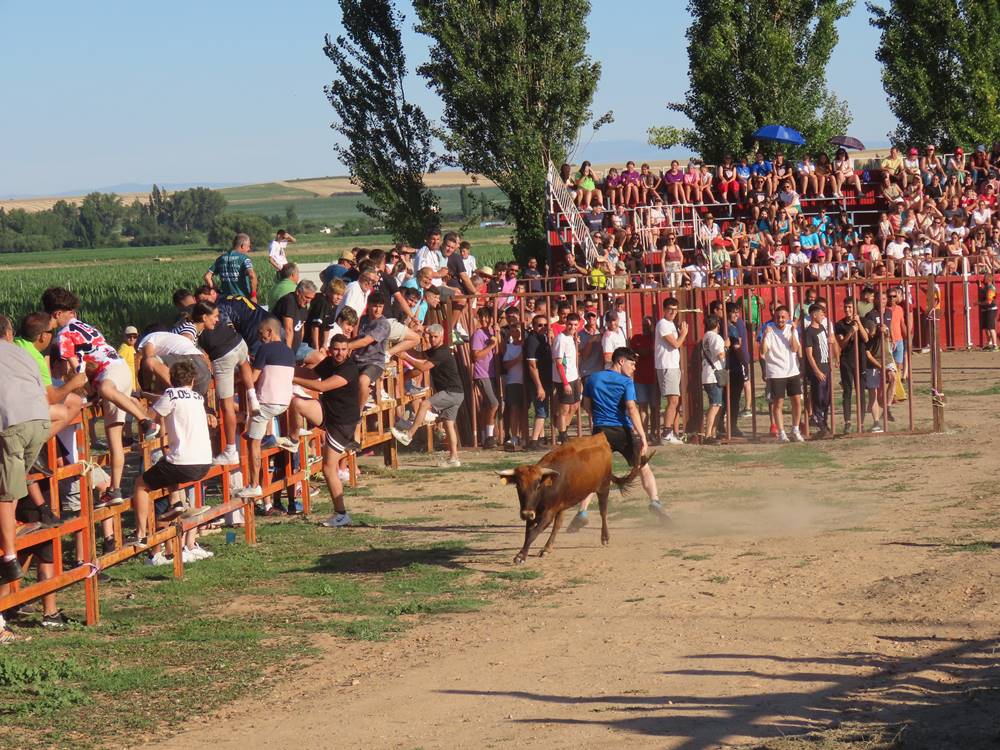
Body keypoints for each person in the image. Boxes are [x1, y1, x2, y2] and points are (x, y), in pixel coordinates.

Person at [43, 287, 160, 505]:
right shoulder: (86, 326)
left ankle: (145, 420)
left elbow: (76, 368)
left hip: (109, 373)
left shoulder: (64, 334)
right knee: (114, 439)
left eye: (52, 317)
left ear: (57, 313)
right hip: (119, 369)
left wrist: (88, 392)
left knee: (107, 390)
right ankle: (114, 490)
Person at [567, 347, 666, 532]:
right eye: (632, 364)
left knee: (593, 474)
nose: (634, 368)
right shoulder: (625, 382)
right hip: (622, 431)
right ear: (621, 361)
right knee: (643, 467)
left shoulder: (592, 379)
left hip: (600, 432)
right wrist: (643, 435)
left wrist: (597, 417)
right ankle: (655, 501)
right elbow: (631, 408)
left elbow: (586, 405)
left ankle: (582, 512)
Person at [123, 360, 213, 562]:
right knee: (166, 462)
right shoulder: (197, 397)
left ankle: (140, 533)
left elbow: (152, 415)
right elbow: (167, 399)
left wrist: (137, 404)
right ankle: (177, 502)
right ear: (192, 381)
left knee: (140, 484)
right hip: (204, 462)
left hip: (182, 463)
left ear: (171, 380)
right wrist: (147, 395)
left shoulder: (170, 395)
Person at [288, 334, 359, 528]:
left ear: (348, 350)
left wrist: (290, 377)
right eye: (336, 349)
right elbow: (310, 375)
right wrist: (283, 367)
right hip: (328, 413)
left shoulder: (349, 368)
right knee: (297, 403)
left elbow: (320, 385)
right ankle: (294, 439)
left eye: (343, 349)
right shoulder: (328, 362)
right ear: (330, 349)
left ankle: (341, 514)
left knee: (328, 468)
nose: (340, 353)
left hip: (342, 423)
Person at [0, 332, 52, 585]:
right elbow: (44, 391)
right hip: (41, 423)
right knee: (13, 486)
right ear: (8, 334)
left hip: (12, 425)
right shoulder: (24, 352)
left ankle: (9, 558)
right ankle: (14, 526)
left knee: (5, 493)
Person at [237, 318, 295, 512]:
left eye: (262, 335)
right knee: (258, 435)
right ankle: (271, 438)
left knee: (252, 441)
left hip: (266, 403)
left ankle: (254, 485)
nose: (260, 340)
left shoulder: (265, 350)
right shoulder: (289, 351)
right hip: (283, 403)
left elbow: (252, 378)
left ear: (270, 332)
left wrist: (241, 371)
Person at [190, 301, 257, 464]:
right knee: (244, 363)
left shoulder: (192, 329)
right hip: (239, 343)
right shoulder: (198, 326)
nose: (217, 320)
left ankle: (230, 450)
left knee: (226, 407)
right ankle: (252, 396)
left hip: (223, 355)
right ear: (204, 317)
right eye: (214, 317)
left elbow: (200, 355)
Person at [391, 324, 464, 467]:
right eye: (430, 336)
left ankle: (408, 435)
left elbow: (423, 367)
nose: (432, 339)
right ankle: (454, 458)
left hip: (451, 392)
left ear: (442, 336)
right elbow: (419, 356)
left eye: (435, 336)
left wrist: (405, 356)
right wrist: (403, 346)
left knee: (425, 404)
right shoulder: (434, 351)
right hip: (457, 393)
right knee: (449, 426)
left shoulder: (442, 352)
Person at [760, 305, 804, 442]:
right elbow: (763, 351)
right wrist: (765, 335)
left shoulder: (792, 329)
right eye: (778, 317)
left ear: (788, 317)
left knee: (796, 400)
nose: (780, 319)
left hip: (792, 370)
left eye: (783, 317)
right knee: (778, 403)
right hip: (776, 372)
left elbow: (795, 349)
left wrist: (792, 333)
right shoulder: (769, 329)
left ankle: (795, 429)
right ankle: (781, 432)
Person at [654, 297, 688, 445]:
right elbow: (675, 344)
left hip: (672, 365)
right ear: (665, 310)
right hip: (666, 366)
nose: (673, 312)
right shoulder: (663, 324)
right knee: (672, 400)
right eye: (670, 309)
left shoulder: (671, 324)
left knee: (675, 400)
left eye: (675, 309)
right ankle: (666, 433)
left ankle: (670, 432)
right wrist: (683, 334)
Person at [834, 296, 868, 433]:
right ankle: (847, 422)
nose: (847, 310)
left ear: (855, 309)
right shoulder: (839, 325)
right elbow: (841, 344)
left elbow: (866, 338)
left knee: (861, 392)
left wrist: (858, 324)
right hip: (847, 361)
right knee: (847, 391)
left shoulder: (863, 321)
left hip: (860, 360)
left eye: (850, 307)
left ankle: (862, 423)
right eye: (846, 307)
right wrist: (851, 332)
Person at [470, 307, 500, 448]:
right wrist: (491, 345)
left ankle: (484, 435)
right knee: (494, 404)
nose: (484, 320)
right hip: (482, 373)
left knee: (488, 405)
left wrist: (498, 337)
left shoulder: (493, 332)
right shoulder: (478, 334)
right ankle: (488, 437)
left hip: (492, 373)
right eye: (481, 317)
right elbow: (476, 356)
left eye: (487, 317)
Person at [802, 303, 832, 436]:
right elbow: (809, 354)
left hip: (826, 366)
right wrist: (816, 371)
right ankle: (819, 421)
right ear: (814, 315)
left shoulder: (822, 328)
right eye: (821, 314)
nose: (823, 316)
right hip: (818, 370)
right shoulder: (809, 332)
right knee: (818, 397)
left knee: (827, 398)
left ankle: (824, 421)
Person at [552, 313, 582, 445]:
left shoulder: (571, 338)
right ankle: (562, 435)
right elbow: (559, 362)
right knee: (564, 408)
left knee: (575, 405)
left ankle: (563, 429)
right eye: (570, 324)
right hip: (564, 378)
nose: (572, 327)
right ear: (566, 323)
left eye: (575, 324)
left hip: (573, 376)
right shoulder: (560, 338)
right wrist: (565, 383)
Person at [524, 314, 553, 451]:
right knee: (541, 411)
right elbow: (531, 365)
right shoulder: (532, 340)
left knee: (543, 409)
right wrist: (539, 386)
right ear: (534, 326)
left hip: (545, 379)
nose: (543, 328)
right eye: (539, 325)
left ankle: (540, 439)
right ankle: (534, 441)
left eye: (545, 325)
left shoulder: (543, 339)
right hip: (538, 381)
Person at [272, 280, 319, 364]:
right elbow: (288, 330)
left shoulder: (303, 305)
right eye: (307, 297)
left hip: (297, 346)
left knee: (320, 359)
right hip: (283, 347)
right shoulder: (289, 301)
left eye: (311, 299)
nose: (308, 301)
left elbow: (301, 327)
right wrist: (288, 355)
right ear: (298, 292)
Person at [204, 233, 258, 301]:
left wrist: (217, 291)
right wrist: (253, 296)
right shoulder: (245, 259)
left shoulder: (221, 258)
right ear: (242, 246)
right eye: (248, 246)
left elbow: (207, 277)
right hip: (242, 300)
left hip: (225, 300)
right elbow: (252, 275)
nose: (249, 249)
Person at [700, 315, 726, 442]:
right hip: (714, 375)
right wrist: (726, 347)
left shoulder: (706, 336)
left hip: (707, 373)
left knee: (717, 404)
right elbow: (720, 355)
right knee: (715, 405)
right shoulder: (716, 337)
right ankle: (708, 434)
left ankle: (713, 433)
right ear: (718, 325)